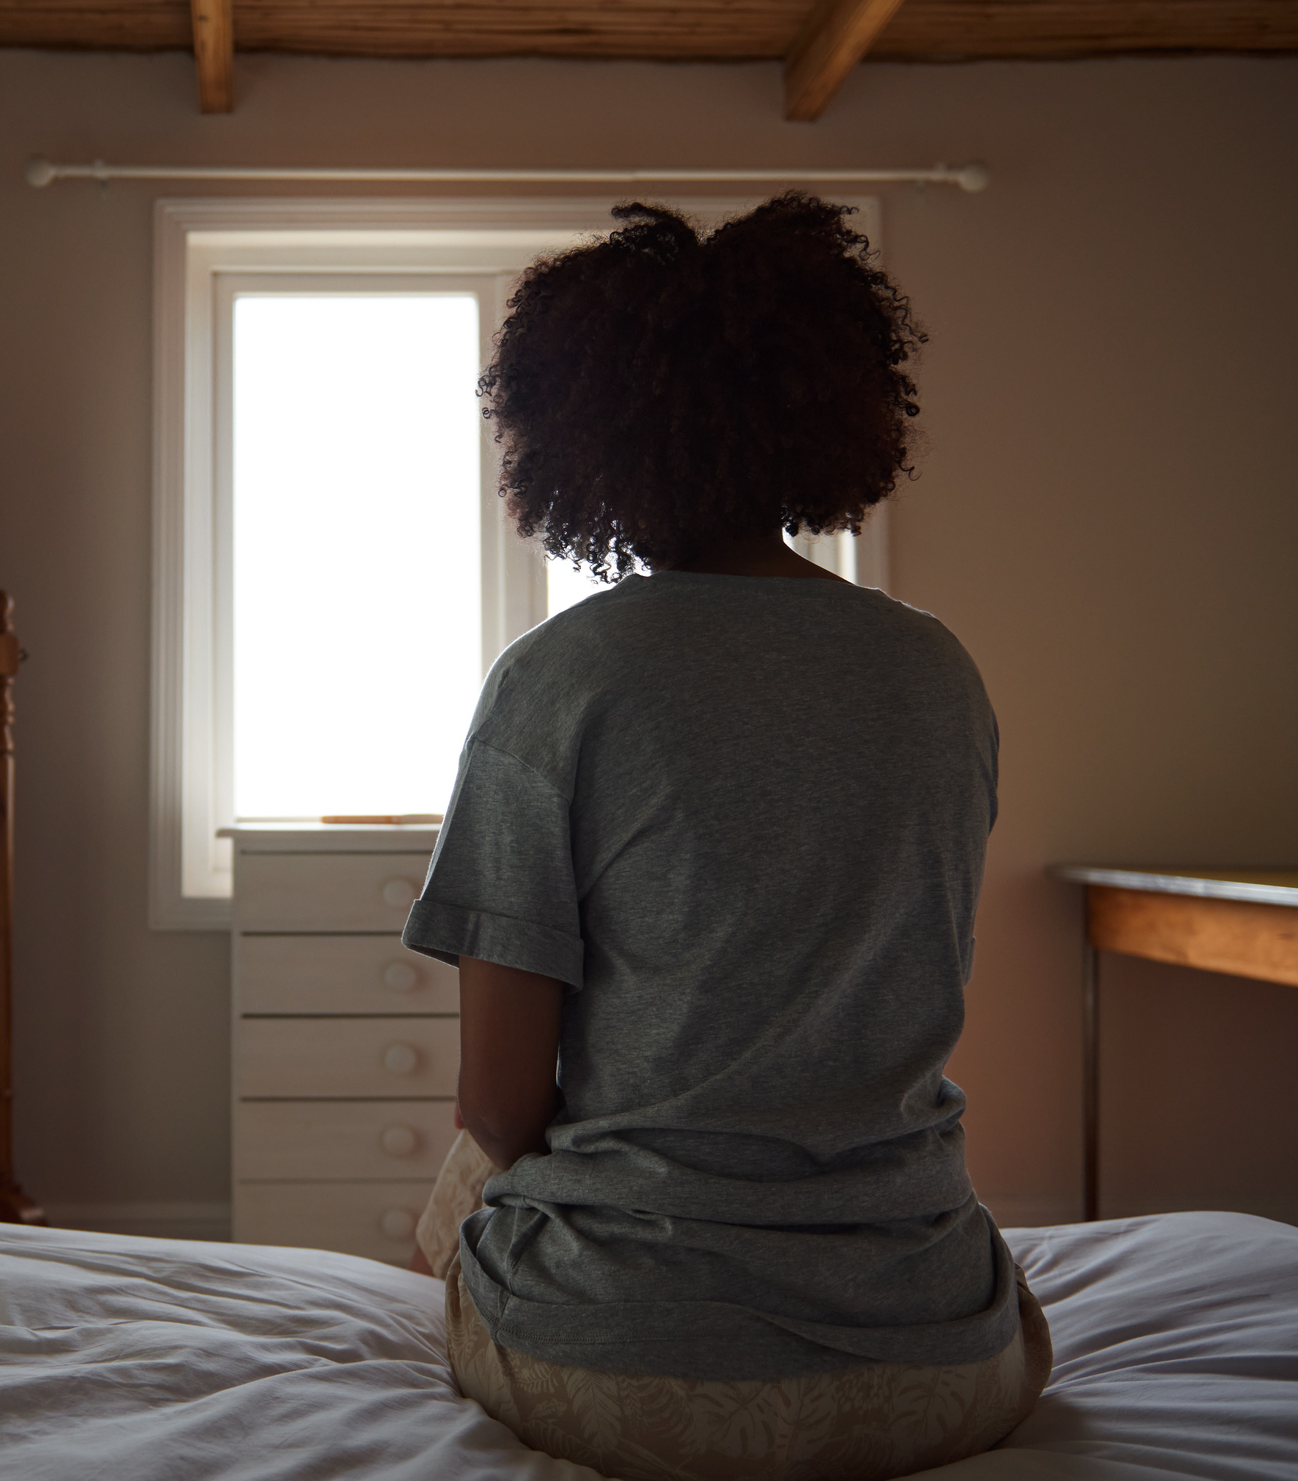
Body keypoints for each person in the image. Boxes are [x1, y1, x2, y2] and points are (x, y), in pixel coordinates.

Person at [400, 195, 1051, 1481]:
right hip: (942, 1369)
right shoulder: (937, 671)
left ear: (573, 439)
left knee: (449, 1209)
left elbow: (498, 1102)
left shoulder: (561, 678)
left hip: (629, 1371)